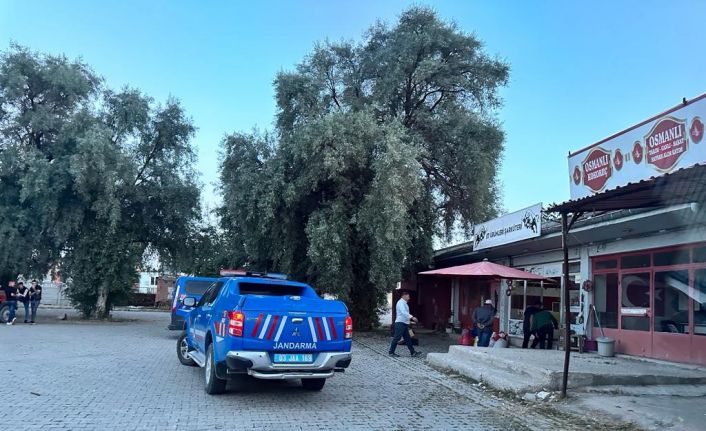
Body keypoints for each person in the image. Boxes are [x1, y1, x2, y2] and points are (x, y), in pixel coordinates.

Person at [389, 291, 422, 357]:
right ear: (404, 296)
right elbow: (403, 312)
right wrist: (412, 317)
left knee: (407, 338)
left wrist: (409, 322)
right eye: (408, 296)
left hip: (403, 323)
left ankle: (413, 352)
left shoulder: (404, 303)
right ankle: (391, 352)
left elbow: (404, 315)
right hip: (400, 323)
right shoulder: (401, 303)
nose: (409, 298)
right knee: (397, 338)